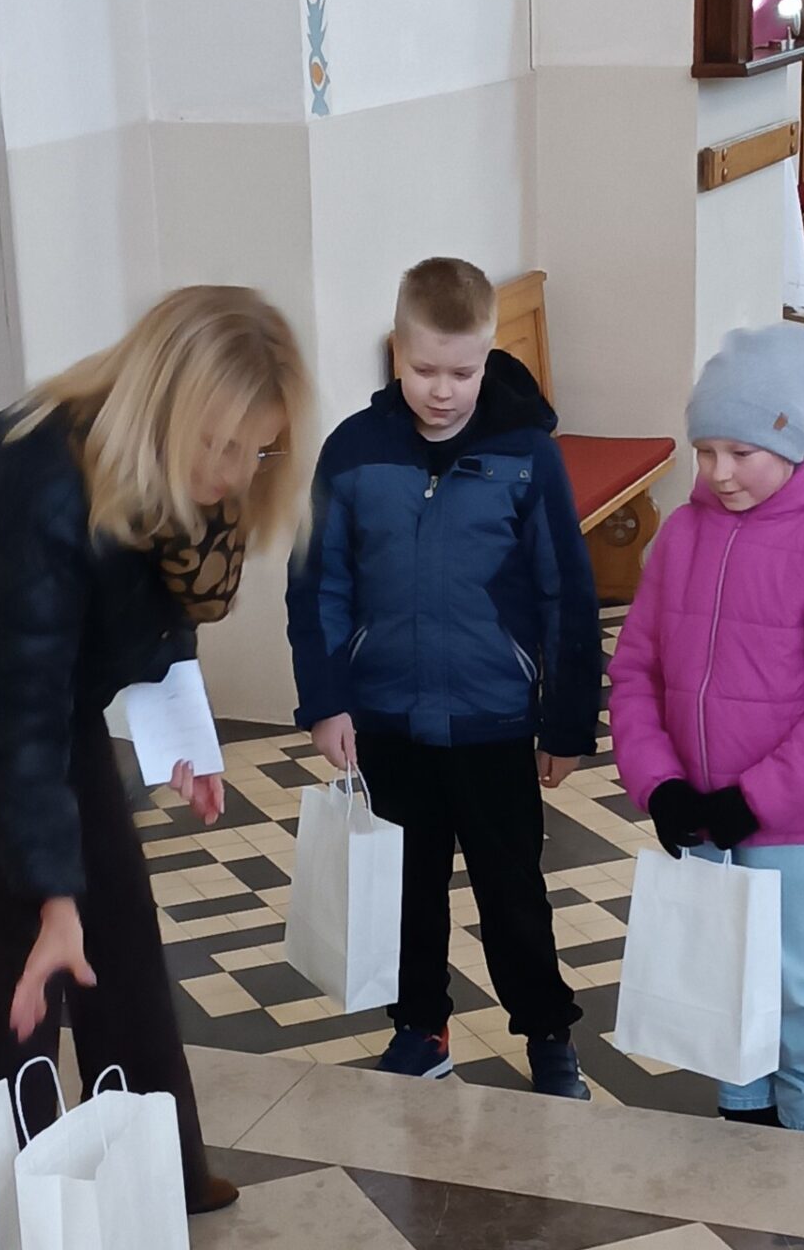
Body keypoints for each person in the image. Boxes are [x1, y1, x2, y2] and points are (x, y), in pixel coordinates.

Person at [0, 285, 317, 1219]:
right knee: (13, 956)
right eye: (219, 445)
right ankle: (16, 1200)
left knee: (121, 930)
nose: (233, 472)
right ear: (166, 405)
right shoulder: (44, 485)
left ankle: (154, 1172)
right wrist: (54, 904)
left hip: (40, 693)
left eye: (256, 449)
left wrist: (182, 734)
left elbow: (150, 609)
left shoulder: (169, 472)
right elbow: (19, 720)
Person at [287, 257, 601, 1099]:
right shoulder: (352, 452)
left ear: (489, 355)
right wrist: (326, 701)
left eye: (464, 372)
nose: (443, 390)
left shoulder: (527, 456)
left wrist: (568, 722)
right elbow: (317, 584)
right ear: (397, 349)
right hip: (387, 720)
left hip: (496, 722)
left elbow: (566, 594)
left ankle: (548, 1035)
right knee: (405, 892)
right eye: (425, 369)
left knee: (513, 894)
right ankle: (420, 1028)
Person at [610, 323, 804, 1137]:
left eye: (741, 452)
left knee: (793, 976)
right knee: (723, 969)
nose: (719, 473)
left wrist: (756, 799)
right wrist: (660, 784)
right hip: (699, 811)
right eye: (705, 452)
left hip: (793, 822)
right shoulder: (680, 537)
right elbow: (634, 670)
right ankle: (745, 1107)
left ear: (793, 442)